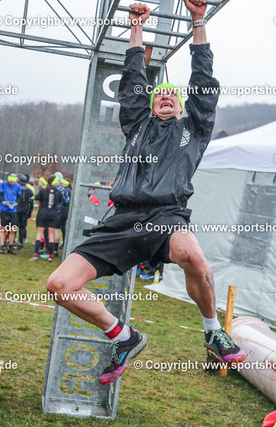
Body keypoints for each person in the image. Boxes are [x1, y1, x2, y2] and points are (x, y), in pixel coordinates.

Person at [46, 0, 246, 385]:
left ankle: (212, 331)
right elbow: (133, 80)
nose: (165, 96)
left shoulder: (194, 129)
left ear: (182, 105)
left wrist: (198, 20)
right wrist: (136, 28)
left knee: (193, 256)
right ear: (151, 103)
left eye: (172, 95)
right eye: (159, 94)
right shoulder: (136, 125)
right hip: (122, 220)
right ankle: (123, 336)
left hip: (166, 216)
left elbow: (203, 80)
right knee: (58, 285)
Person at [32, 176, 62, 262]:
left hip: (43, 213)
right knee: (51, 235)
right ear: (54, 182)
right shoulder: (58, 192)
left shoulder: (43, 190)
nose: (58, 183)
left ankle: (35, 255)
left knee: (39, 233)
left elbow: (36, 198)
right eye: (57, 181)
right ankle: (50, 256)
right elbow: (60, 201)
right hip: (53, 214)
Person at [0, 173, 22, 254]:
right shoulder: (3, 184)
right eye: (11, 180)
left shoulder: (18, 186)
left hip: (13, 211)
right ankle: (2, 246)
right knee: (3, 228)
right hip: (4, 210)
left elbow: (19, 197)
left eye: (14, 180)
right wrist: (3, 202)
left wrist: (16, 203)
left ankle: (10, 246)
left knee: (13, 229)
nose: (12, 182)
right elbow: (0, 195)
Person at [16, 174, 34, 249]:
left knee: (14, 226)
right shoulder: (29, 191)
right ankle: (21, 242)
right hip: (25, 210)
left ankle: (11, 241)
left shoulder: (16, 189)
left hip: (16, 210)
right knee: (22, 227)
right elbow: (32, 203)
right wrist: (30, 212)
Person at [56, 178, 71, 255]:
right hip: (65, 212)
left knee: (61, 228)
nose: (61, 184)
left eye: (62, 183)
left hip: (63, 212)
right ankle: (64, 243)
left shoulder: (66, 191)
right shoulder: (68, 190)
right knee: (63, 228)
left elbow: (66, 202)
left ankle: (63, 243)